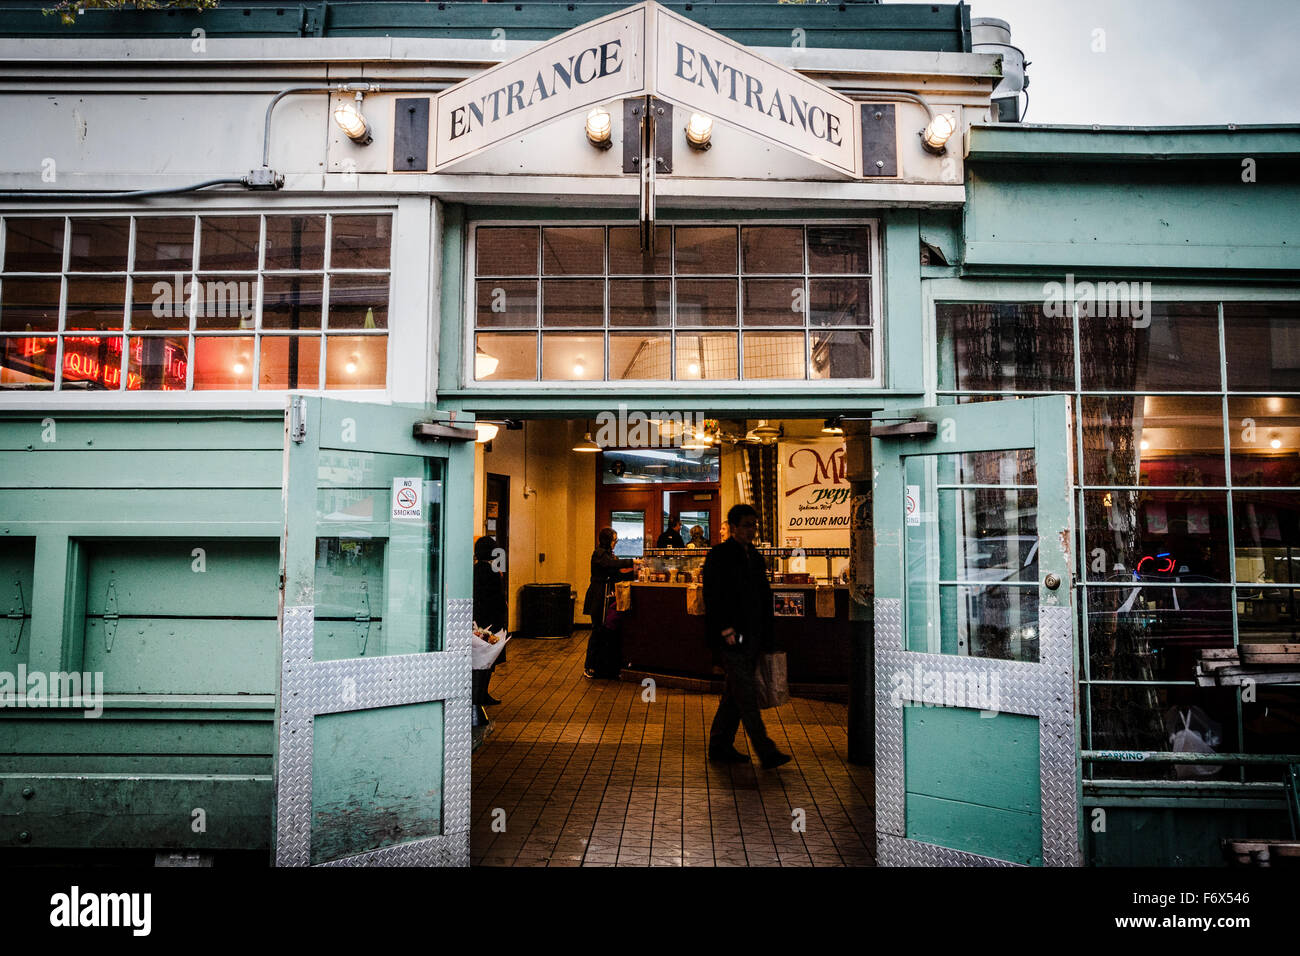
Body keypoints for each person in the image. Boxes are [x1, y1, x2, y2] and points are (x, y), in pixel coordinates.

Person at [702, 504, 792, 769]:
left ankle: (719, 745)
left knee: (735, 693)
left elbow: (763, 597)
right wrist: (725, 629)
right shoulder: (720, 555)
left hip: (752, 635)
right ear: (733, 527)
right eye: (746, 525)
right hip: (731, 637)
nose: (752, 530)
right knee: (746, 694)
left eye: (754, 525)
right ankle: (766, 750)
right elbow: (713, 596)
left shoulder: (755, 556)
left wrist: (767, 634)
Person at [582, 527, 637, 679]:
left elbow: (616, 572)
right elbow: (612, 565)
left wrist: (634, 573)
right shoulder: (599, 554)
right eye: (614, 540)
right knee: (597, 631)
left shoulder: (608, 555)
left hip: (604, 595)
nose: (615, 543)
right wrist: (632, 561)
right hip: (598, 596)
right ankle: (590, 666)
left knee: (605, 631)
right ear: (608, 540)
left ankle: (603, 666)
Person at [473, 535, 507, 707]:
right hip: (492, 620)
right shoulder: (492, 572)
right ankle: (482, 694)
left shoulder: (474, 570)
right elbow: (497, 599)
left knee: (479, 660)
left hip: (479, 619)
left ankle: (479, 694)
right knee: (488, 659)